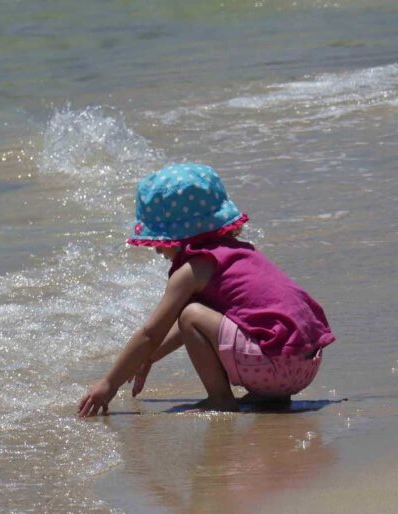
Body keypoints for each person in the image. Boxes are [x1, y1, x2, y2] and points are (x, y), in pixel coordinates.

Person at [78, 163, 335, 417]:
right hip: (305, 364)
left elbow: (151, 333)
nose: (156, 249)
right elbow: (192, 328)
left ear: (178, 236)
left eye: (158, 241)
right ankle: (272, 396)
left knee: (190, 313)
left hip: (273, 368)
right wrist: (149, 358)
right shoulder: (241, 253)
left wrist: (109, 384)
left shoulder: (194, 269)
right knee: (198, 315)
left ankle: (220, 399)